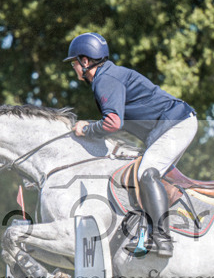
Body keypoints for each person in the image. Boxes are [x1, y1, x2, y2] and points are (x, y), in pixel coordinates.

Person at [65, 32, 197, 258]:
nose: (74, 68)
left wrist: (86, 129)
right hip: (168, 127)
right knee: (137, 171)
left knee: (147, 173)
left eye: (75, 63)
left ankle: (162, 240)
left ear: (85, 61)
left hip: (176, 124)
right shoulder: (109, 75)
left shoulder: (104, 80)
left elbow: (113, 123)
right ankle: (145, 231)